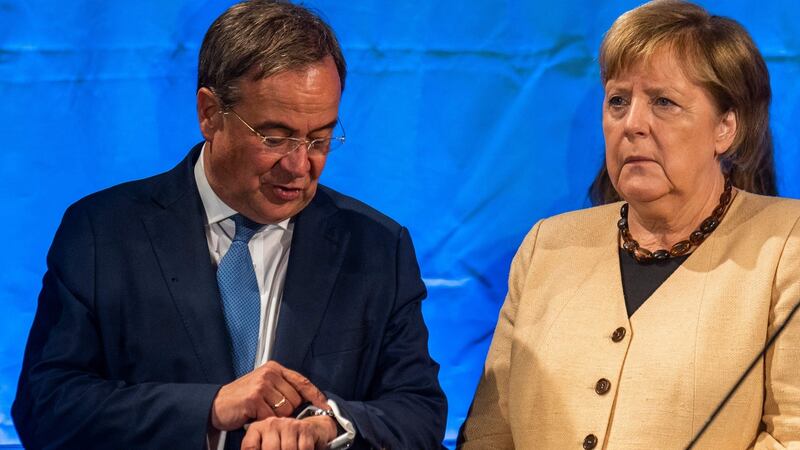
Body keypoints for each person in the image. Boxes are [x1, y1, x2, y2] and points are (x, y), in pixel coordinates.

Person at [12, 1, 447, 449]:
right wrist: (211, 408)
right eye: (275, 138)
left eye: (320, 139)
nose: (300, 166)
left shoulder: (377, 248)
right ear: (209, 114)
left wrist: (332, 425)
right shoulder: (102, 233)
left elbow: (419, 413)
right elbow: (46, 407)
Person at [458, 1, 800, 448]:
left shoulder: (785, 244)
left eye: (663, 102)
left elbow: (792, 435)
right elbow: (490, 433)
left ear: (725, 127)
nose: (632, 124)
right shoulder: (547, 246)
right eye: (618, 101)